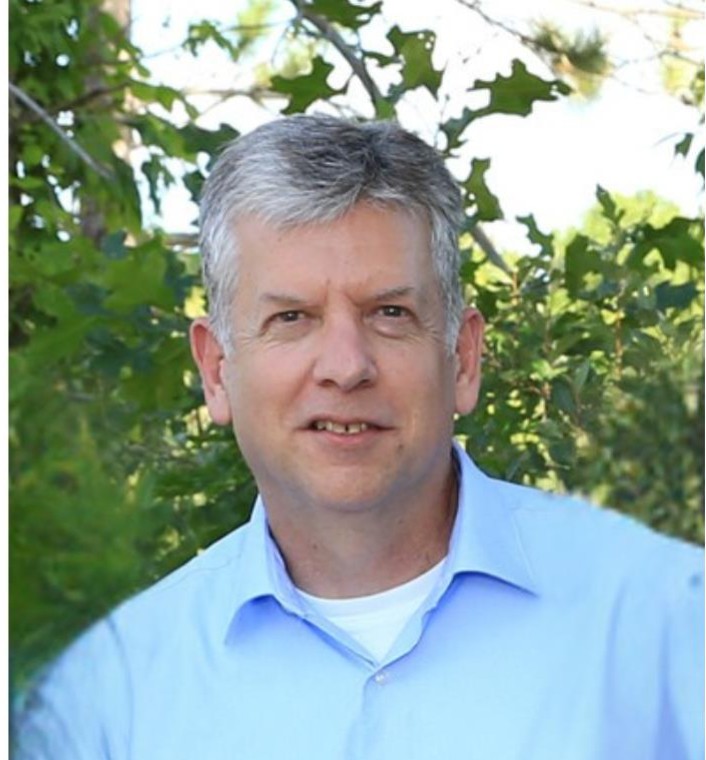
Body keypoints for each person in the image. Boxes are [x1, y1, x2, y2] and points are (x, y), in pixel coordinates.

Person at [15, 114, 703, 760]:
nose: (346, 366)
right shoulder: (112, 698)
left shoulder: (666, 621)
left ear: (463, 358)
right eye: (291, 318)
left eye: (390, 313)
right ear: (217, 371)